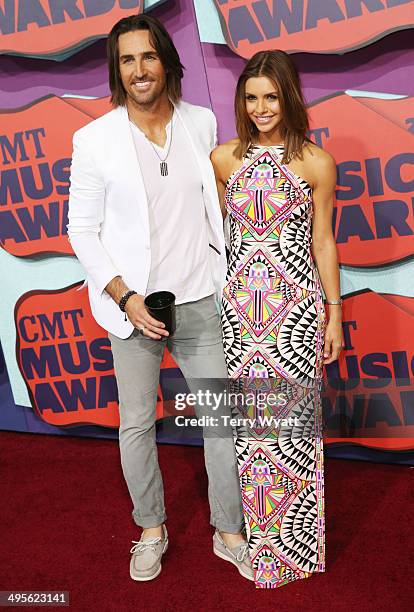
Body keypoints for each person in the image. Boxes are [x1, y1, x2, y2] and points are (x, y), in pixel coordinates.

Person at [67, 14, 253, 582]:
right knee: (136, 425)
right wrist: (125, 298)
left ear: (166, 62)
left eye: (148, 57)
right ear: (116, 71)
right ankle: (151, 528)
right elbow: (81, 229)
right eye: (127, 60)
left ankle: (228, 531)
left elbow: (214, 204)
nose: (139, 70)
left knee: (222, 421)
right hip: (134, 309)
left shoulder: (201, 122)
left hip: (200, 297)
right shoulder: (94, 139)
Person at [211, 50, 344, 588]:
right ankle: (263, 555)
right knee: (253, 434)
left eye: (272, 96)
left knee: (294, 431)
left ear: (289, 98)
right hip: (242, 314)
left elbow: (324, 241)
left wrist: (334, 314)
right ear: (241, 102)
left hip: (297, 315)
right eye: (251, 97)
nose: (262, 107)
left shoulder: (316, 162)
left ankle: (299, 552)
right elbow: (222, 238)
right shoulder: (224, 160)